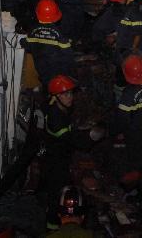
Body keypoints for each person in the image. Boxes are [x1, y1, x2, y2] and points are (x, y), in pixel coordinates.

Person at [41, 76, 103, 231]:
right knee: (57, 197)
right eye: (65, 94)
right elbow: (73, 140)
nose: (70, 97)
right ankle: (53, 229)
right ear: (55, 97)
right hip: (56, 164)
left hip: (58, 159)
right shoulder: (56, 119)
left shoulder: (56, 107)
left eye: (70, 93)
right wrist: (92, 135)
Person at [112, 55, 142, 212]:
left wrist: (118, 132)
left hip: (134, 136)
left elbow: (122, 119)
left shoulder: (129, 94)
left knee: (136, 167)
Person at [91, 0, 142, 70]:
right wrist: (113, 35)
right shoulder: (118, 9)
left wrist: (133, 50)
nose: (118, 1)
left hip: (129, 47)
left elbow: (138, 33)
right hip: (121, 44)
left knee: (126, 66)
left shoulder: (134, 11)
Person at [26, 0, 75, 86]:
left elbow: (27, 47)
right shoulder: (59, 34)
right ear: (56, 16)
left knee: (47, 86)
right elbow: (68, 56)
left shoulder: (32, 31)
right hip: (58, 72)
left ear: (38, 14)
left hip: (41, 69)